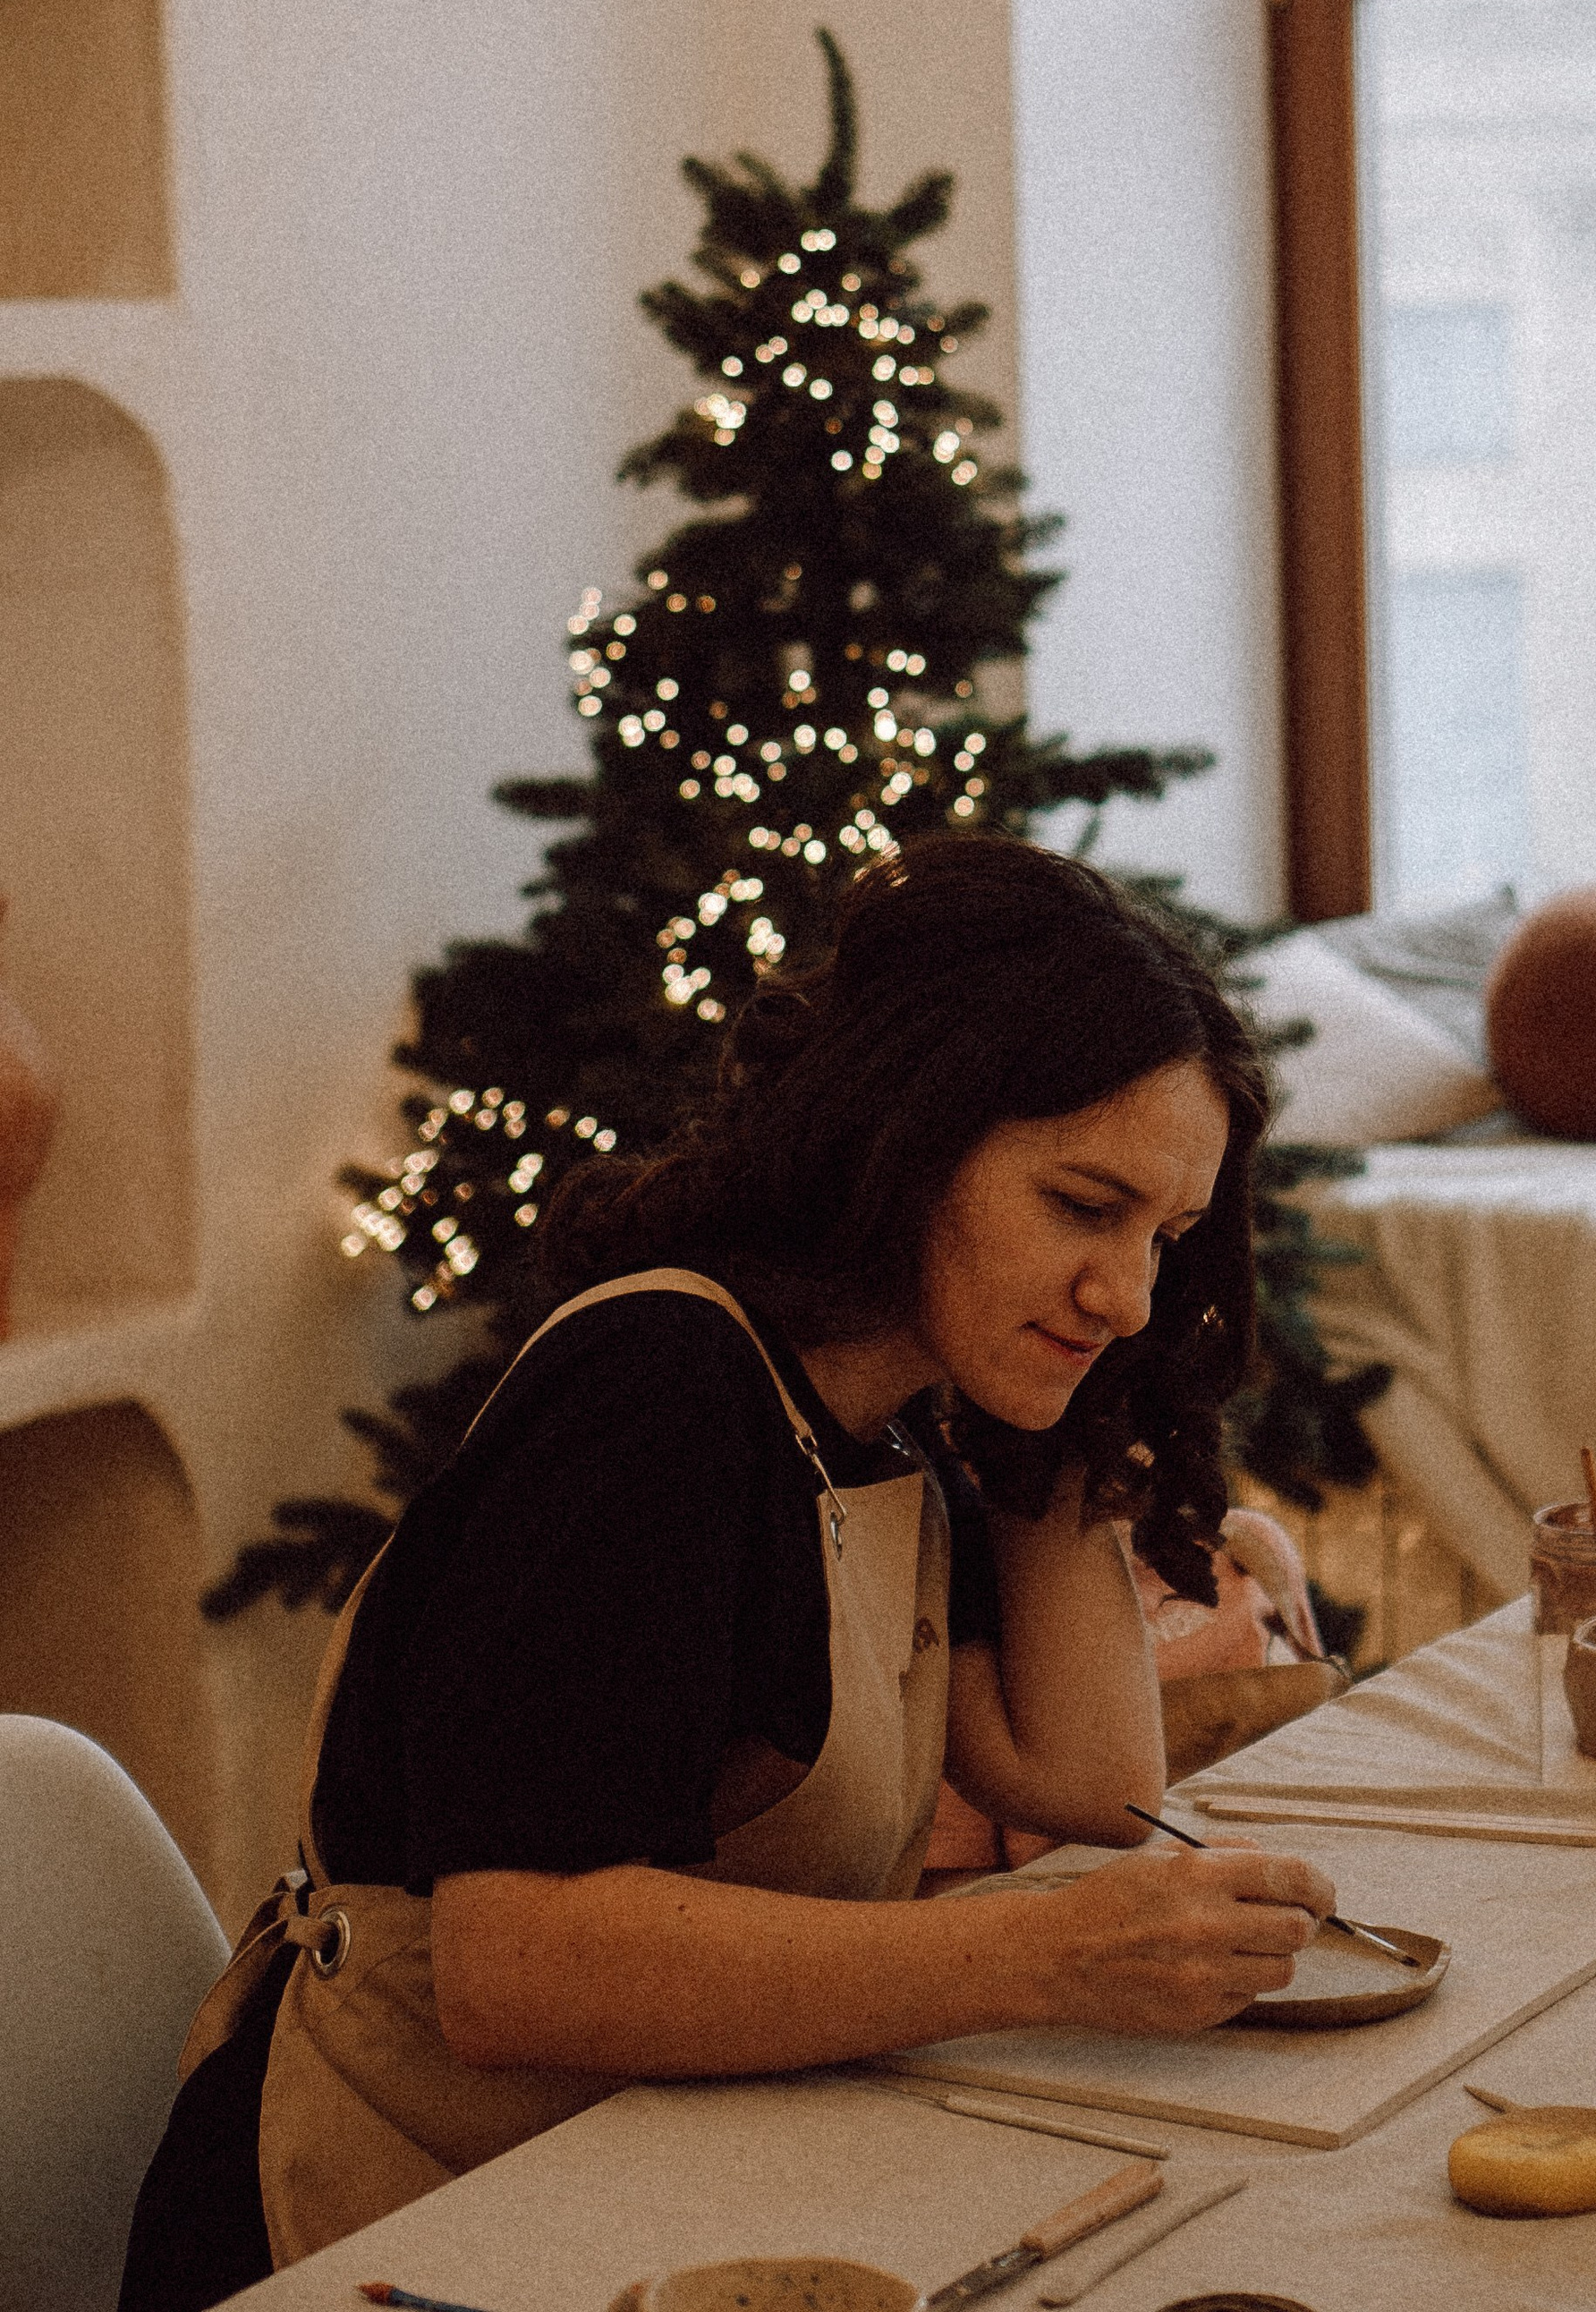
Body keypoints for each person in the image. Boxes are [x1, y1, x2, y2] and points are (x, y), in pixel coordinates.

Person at [122, 836, 1333, 2308]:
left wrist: (1080, 1403)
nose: (1131, 1289)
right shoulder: (664, 1392)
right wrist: (1037, 1957)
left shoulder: (885, 1419)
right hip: (383, 2222)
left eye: (1170, 1237)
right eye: (1083, 1208)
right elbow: (515, 1968)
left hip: (634, 2177)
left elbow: (1091, 1781)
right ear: (908, 1134)